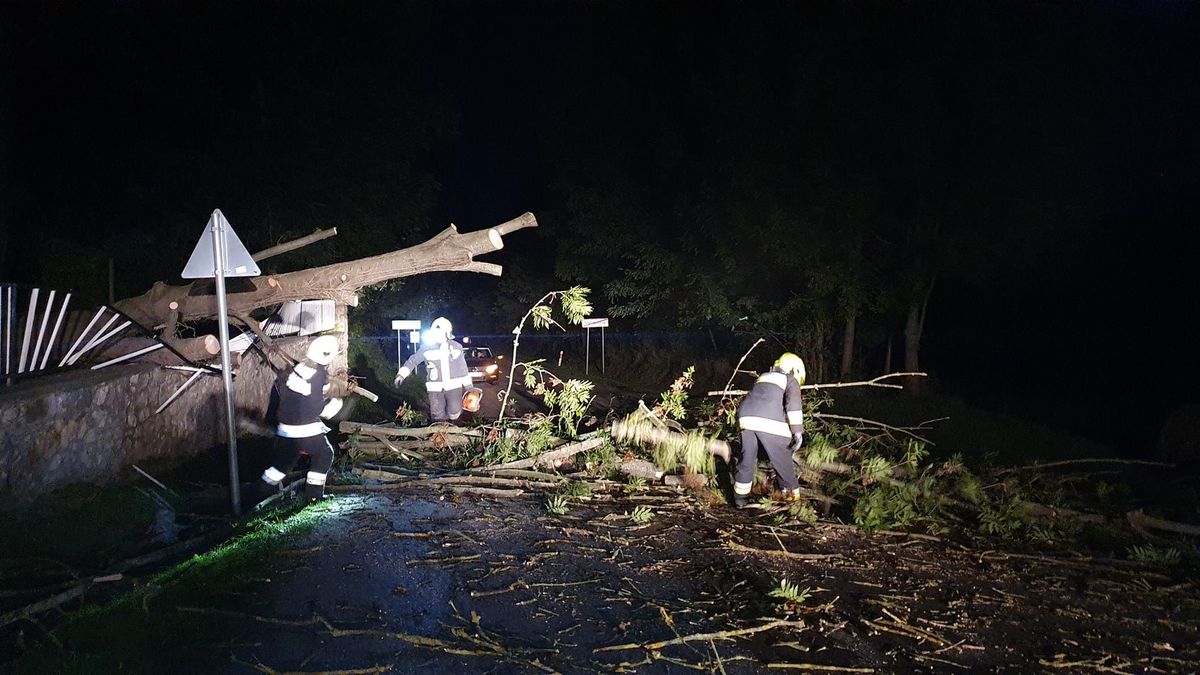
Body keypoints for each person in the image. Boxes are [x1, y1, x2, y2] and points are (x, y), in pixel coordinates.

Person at [259, 335, 347, 503]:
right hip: (304, 429)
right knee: (324, 454)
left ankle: (257, 493)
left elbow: (300, 396)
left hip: (285, 428)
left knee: (282, 466)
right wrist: (333, 407)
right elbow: (315, 406)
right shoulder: (319, 374)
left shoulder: (297, 369)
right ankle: (313, 497)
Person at [732, 352, 806, 508]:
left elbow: (764, 400)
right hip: (767, 417)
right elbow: (793, 404)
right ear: (794, 370)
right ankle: (792, 502)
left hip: (745, 417)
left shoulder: (763, 377)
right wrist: (797, 432)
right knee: (783, 460)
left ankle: (740, 499)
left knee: (747, 459)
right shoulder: (790, 379)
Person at [393, 316, 471, 423]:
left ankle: (453, 425)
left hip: (454, 386)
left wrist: (469, 387)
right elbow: (413, 361)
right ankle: (438, 429)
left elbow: (462, 368)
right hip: (435, 388)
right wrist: (401, 375)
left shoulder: (456, 347)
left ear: (447, 333)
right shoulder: (426, 348)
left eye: (440, 332)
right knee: (437, 414)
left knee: (455, 411)